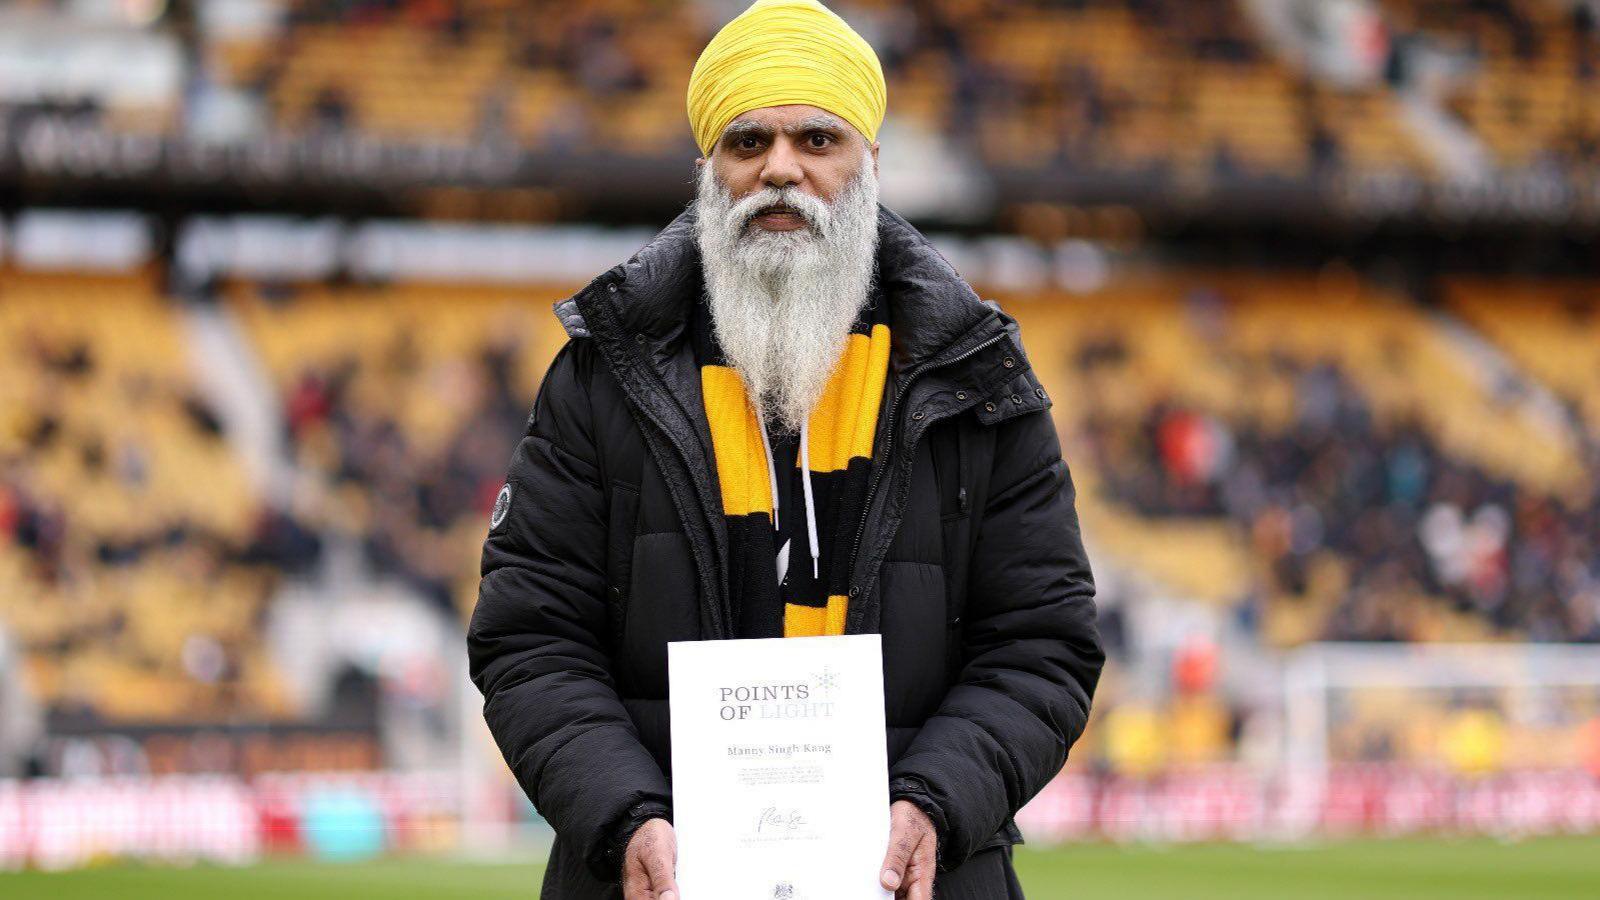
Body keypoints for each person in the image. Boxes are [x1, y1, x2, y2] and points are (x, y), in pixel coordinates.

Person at [467, 1, 1104, 897]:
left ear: (870, 162)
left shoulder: (980, 380)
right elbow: (529, 640)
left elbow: (1043, 643)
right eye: (746, 142)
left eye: (816, 139)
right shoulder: (597, 379)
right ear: (706, 171)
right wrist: (626, 816)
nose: (780, 169)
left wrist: (935, 804)